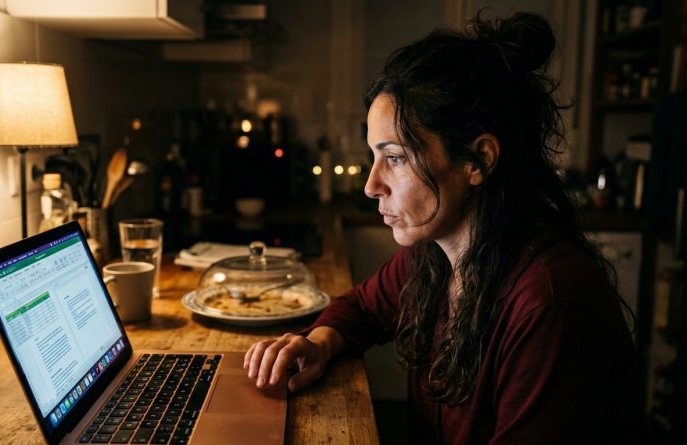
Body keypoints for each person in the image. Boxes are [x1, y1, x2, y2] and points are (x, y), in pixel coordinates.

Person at [244, 11, 643, 444]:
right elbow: (362, 307)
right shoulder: (437, 254)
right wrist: (319, 343)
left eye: (395, 158)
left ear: (478, 160)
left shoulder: (548, 302)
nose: (371, 185)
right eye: (374, 158)